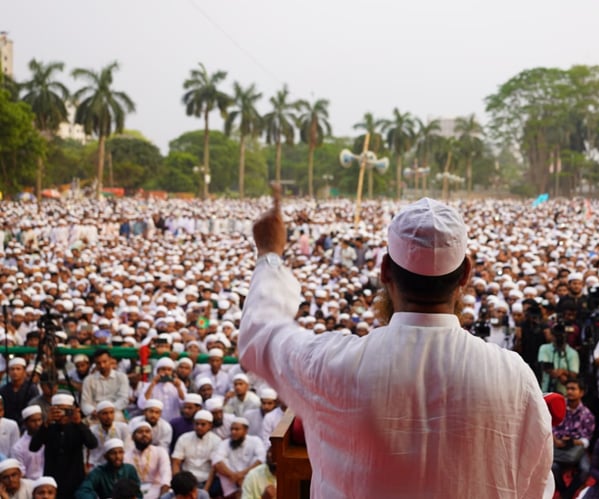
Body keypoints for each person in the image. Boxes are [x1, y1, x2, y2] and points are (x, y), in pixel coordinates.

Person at [238, 192, 554, 497]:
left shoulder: (332, 364)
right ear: (466, 275)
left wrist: (269, 254)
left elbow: (260, 333)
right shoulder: (515, 377)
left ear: (385, 270)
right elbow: (536, 485)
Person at [29, 393, 97, 499]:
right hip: (54, 480)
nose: (63, 414)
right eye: (59, 410)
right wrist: (46, 423)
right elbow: (33, 447)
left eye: (67, 410)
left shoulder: (78, 427)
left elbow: (92, 444)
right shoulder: (48, 427)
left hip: (75, 480)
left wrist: (79, 423)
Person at [552, 378, 594, 499]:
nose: (569, 392)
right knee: (552, 466)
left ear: (581, 392)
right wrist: (556, 440)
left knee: (585, 469)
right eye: (568, 388)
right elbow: (550, 426)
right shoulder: (558, 407)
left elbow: (586, 440)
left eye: (573, 389)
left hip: (576, 448)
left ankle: (569, 493)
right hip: (557, 445)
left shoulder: (587, 414)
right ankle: (562, 489)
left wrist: (571, 442)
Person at [212, 416, 265, 498]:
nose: (233, 432)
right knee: (220, 462)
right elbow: (217, 461)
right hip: (231, 479)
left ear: (246, 430)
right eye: (232, 429)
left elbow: (261, 459)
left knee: (257, 461)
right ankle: (234, 493)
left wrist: (241, 475)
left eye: (237, 429)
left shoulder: (255, 440)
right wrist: (234, 476)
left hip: (249, 476)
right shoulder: (225, 443)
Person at [171, 410, 221, 494]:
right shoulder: (184, 438)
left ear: (210, 426)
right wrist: (178, 484)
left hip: (207, 480)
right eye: (196, 424)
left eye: (203, 424)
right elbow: (176, 462)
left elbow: (214, 468)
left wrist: (205, 490)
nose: (199, 427)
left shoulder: (216, 441)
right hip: (187, 479)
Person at [76, 438, 142, 499]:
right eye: (113, 453)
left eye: (120, 452)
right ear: (105, 456)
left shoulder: (129, 469)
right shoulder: (98, 472)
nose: (117, 456)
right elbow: (82, 491)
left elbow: (138, 492)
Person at [125, 419, 171, 499]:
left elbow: (166, 475)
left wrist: (163, 496)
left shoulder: (160, 451)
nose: (144, 434)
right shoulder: (126, 456)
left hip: (158, 490)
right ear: (132, 437)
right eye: (140, 432)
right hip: (135, 492)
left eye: (147, 432)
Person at [81, 349, 130, 420]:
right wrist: (94, 411)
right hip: (95, 413)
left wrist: (107, 410)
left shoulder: (121, 377)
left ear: (110, 360)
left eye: (105, 362)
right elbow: (85, 403)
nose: (102, 365)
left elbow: (123, 399)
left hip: (115, 412)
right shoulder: (89, 380)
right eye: (98, 363)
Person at [538, 323, 579, 394]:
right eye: (556, 335)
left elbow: (574, 374)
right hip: (546, 390)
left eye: (560, 335)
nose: (558, 338)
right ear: (552, 335)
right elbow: (545, 367)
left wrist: (563, 371)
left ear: (565, 336)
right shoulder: (544, 348)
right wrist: (560, 375)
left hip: (564, 393)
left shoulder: (572, 353)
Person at [0, 358, 39, 425]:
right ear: (8, 372)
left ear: (24, 371)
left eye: (18, 369)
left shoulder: (32, 389)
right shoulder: (3, 390)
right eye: (12, 369)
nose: (15, 372)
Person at [11, 405, 44, 480]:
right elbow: (21, 472)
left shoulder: (49, 439)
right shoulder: (18, 447)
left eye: (39, 420)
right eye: (33, 421)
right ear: (25, 423)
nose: (38, 424)